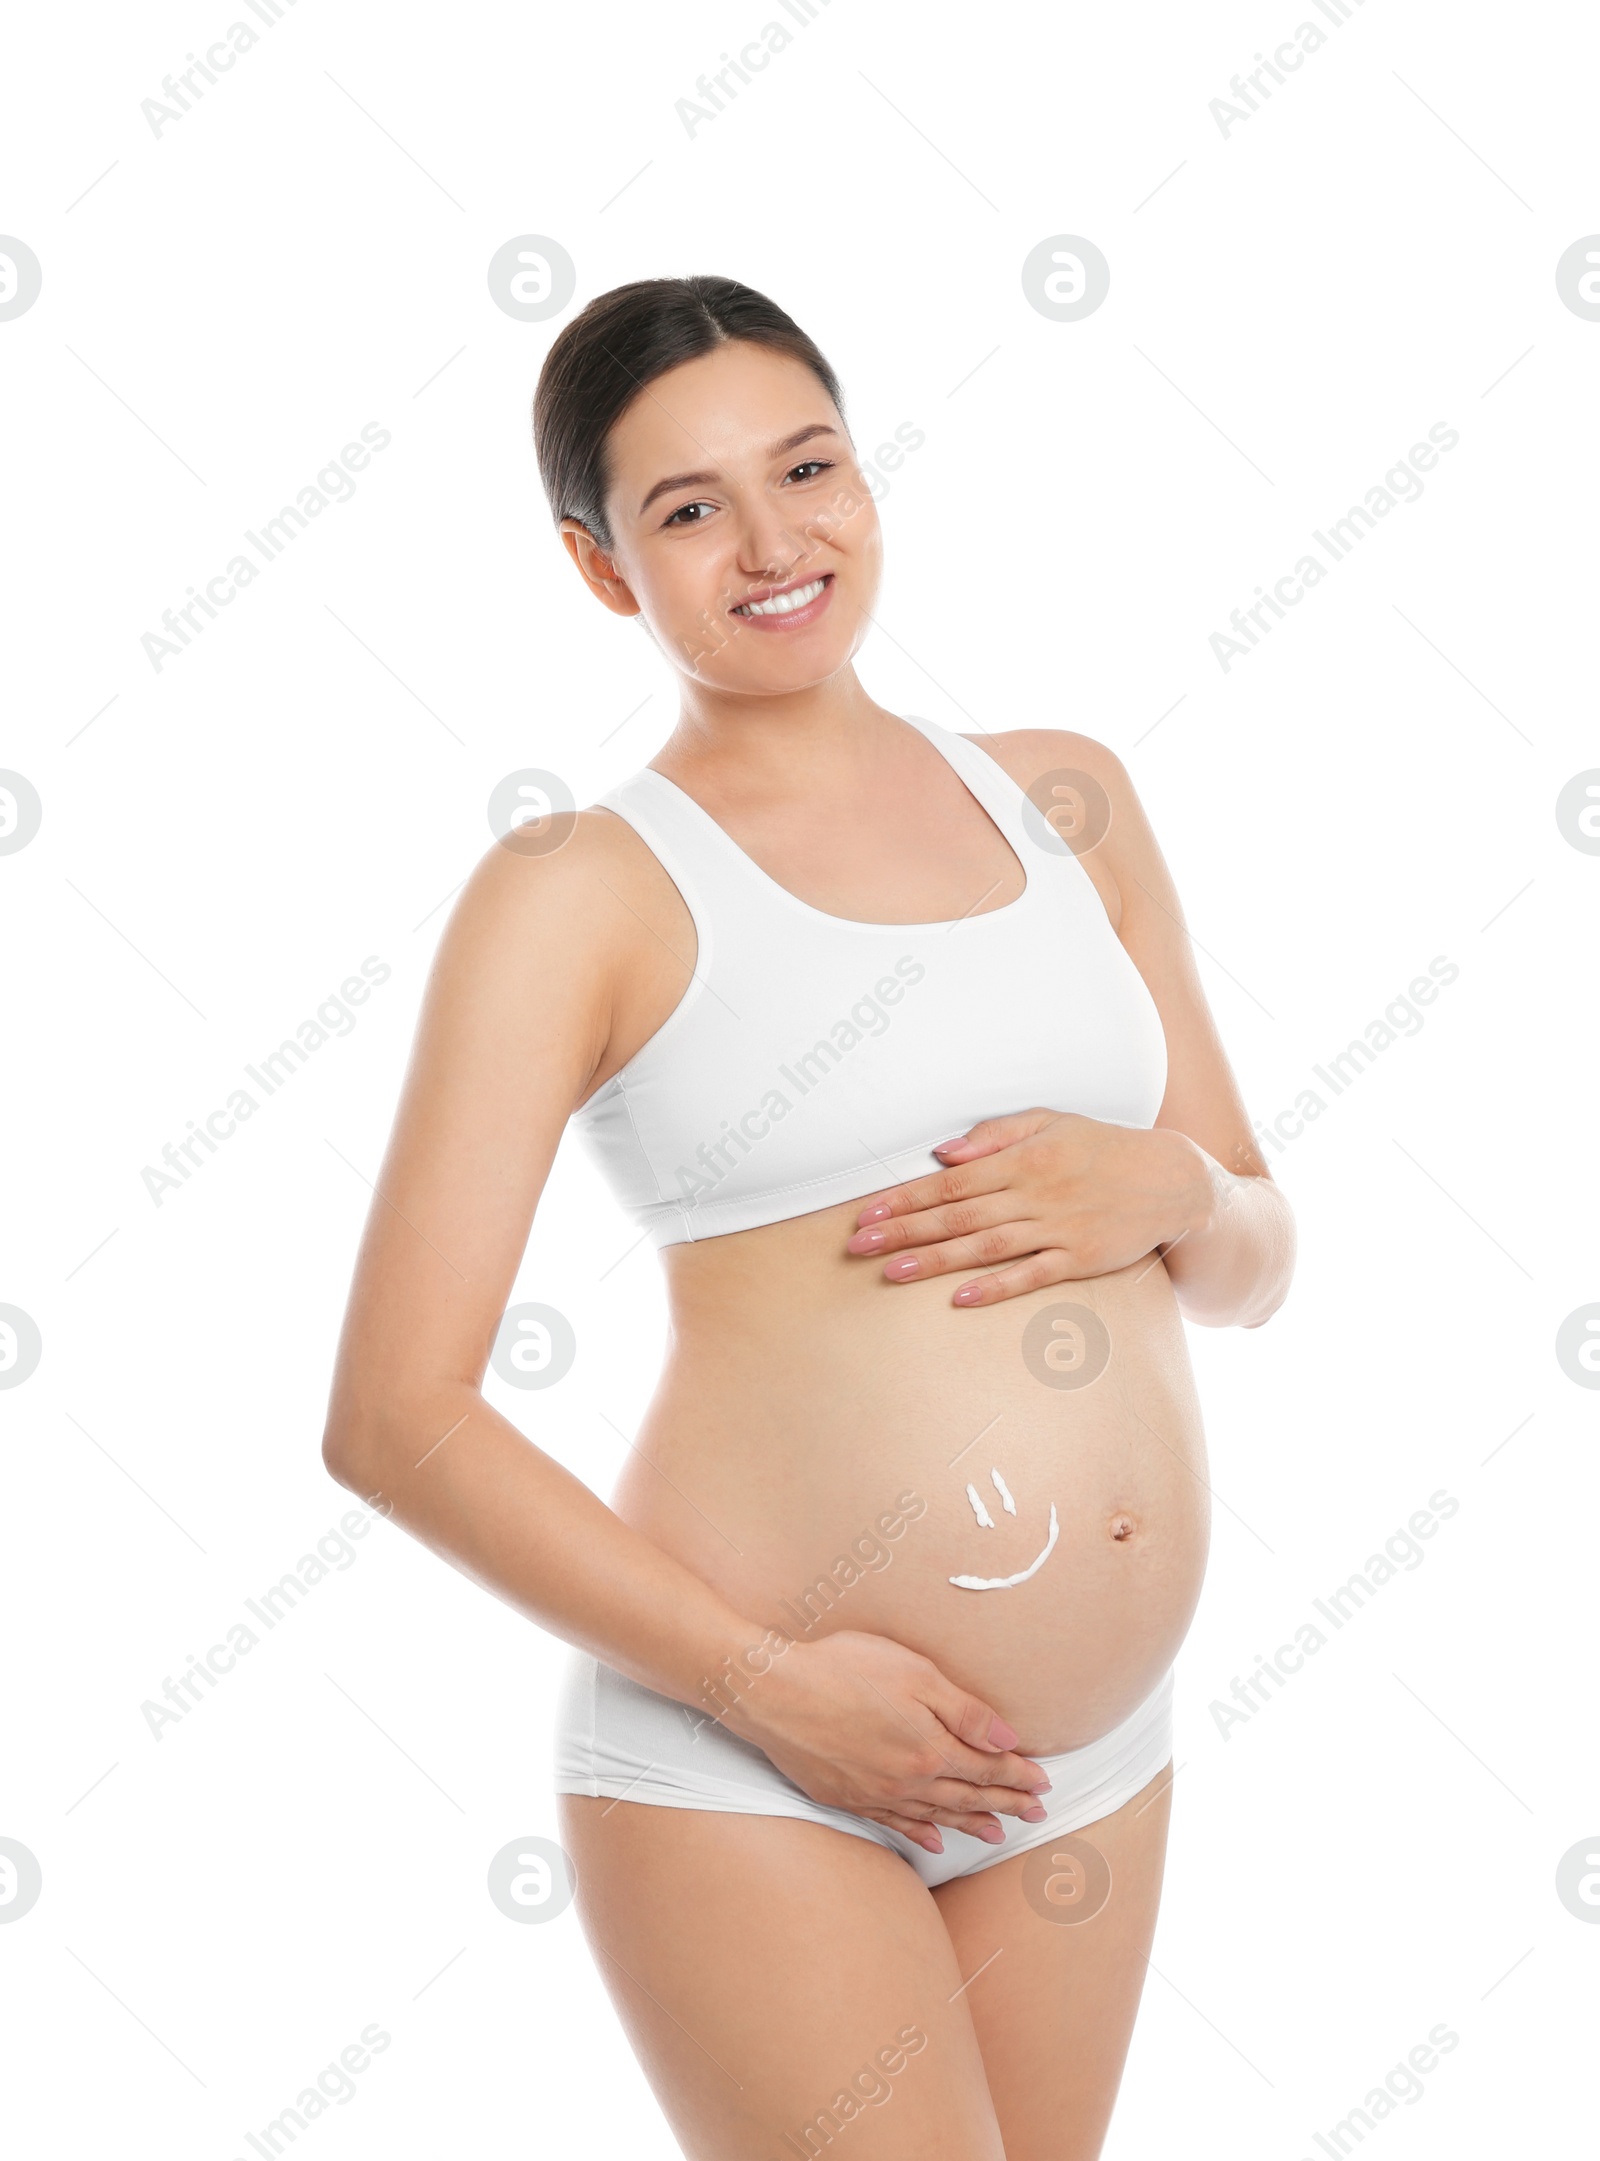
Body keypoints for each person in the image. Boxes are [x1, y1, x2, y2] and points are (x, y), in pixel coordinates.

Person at [321, 274, 1295, 2161]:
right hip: (761, 1759)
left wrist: (1174, 1186)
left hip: (1092, 1757)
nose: (777, 543)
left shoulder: (1070, 800)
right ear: (606, 571)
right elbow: (394, 1414)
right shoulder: (576, 891)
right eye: (690, 509)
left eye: (809, 468)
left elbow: (1259, 1255)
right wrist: (774, 1689)